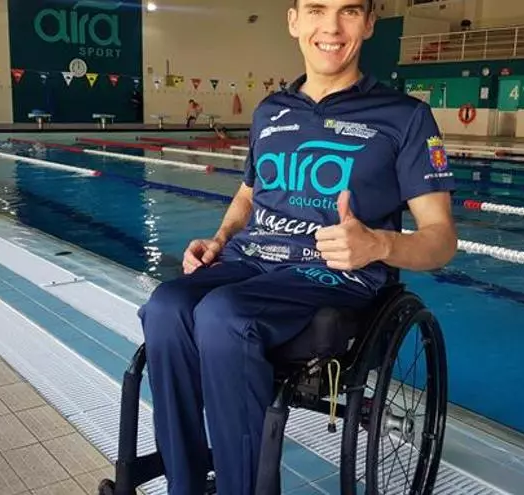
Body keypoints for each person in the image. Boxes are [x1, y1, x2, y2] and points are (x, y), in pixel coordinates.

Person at [137, 0, 458, 494]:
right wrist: (220, 239)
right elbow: (249, 193)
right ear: (294, 20)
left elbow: (441, 238)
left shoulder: (406, 117)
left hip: (332, 273)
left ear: (369, 23)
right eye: (316, 9)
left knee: (225, 315)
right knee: (165, 306)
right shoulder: (271, 110)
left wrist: (378, 243)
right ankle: (185, 485)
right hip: (252, 261)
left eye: (349, 11)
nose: (331, 26)